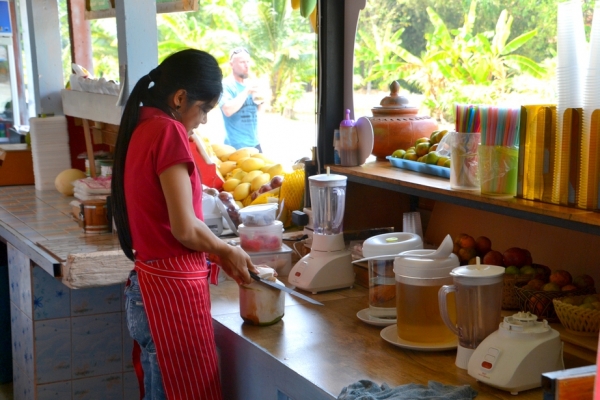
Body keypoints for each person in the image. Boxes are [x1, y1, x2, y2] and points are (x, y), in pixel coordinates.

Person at [111, 49, 258, 400]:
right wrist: (226, 249)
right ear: (180, 98)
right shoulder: (167, 131)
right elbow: (184, 228)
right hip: (168, 297)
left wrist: (219, 253)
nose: (204, 120)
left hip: (148, 288)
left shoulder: (143, 125)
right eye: (203, 108)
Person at [219, 47, 263, 151]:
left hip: (255, 143)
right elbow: (227, 110)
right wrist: (246, 91)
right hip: (235, 146)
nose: (246, 65)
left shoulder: (251, 85)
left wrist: (261, 100)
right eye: (242, 62)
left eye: (248, 61)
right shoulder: (226, 85)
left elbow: (259, 112)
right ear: (231, 64)